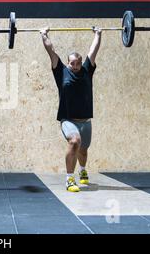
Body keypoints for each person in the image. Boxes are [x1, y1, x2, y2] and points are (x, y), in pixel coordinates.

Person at [40, 27, 101, 192]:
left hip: (85, 121)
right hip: (68, 119)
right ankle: (69, 179)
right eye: (72, 63)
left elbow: (93, 50)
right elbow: (51, 51)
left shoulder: (87, 70)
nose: (75, 66)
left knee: (83, 149)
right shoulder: (61, 72)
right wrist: (44, 35)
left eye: (78, 63)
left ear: (82, 63)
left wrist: (98, 34)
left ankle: (82, 170)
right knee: (74, 141)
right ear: (67, 63)